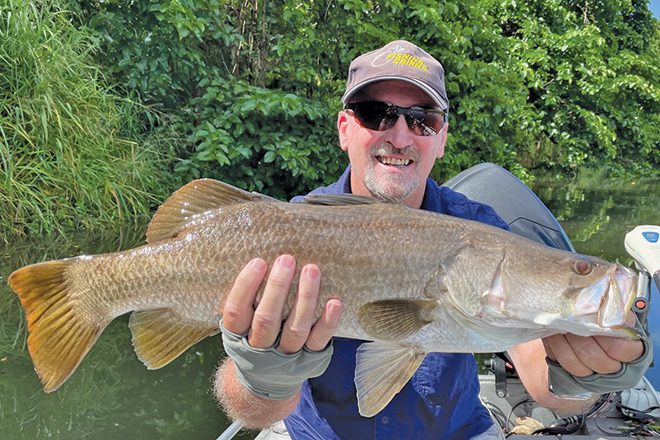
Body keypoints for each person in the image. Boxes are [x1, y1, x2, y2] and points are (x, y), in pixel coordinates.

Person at [214, 40, 650, 439]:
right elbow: (252, 409)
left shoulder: (484, 230)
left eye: (423, 119)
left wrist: (587, 371)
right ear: (345, 128)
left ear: (440, 138)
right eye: (375, 113)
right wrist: (263, 377)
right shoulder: (282, 228)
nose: (400, 135)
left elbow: (542, 381)